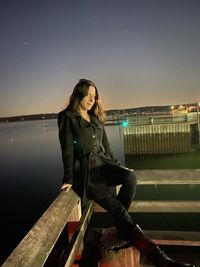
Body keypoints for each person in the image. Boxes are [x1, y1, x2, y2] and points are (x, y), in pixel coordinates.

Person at [58, 79, 195, 267]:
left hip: (104, 164)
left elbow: (106, 148)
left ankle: (123, 227)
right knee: (118, 209)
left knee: (130, 177)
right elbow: (67, 150)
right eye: (88, 95)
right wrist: (69, 178)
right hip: (88, 173)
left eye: (94, 95)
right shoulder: (67, 117)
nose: (92, 99)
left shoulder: (95, 118)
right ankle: (161, 260)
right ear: (79, 94)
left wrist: (120, 168)